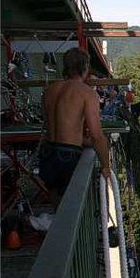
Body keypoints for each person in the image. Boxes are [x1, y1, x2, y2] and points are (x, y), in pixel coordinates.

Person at [39, 47, 111, 196]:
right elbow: (96, 135)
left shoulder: (50, 90)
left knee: (57, 203)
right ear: (85, 67)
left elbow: (57, 128)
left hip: (47, 151)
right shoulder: (87, 93)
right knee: (72, 203)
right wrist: (105, 166)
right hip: (68, 156)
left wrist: (82, 140)